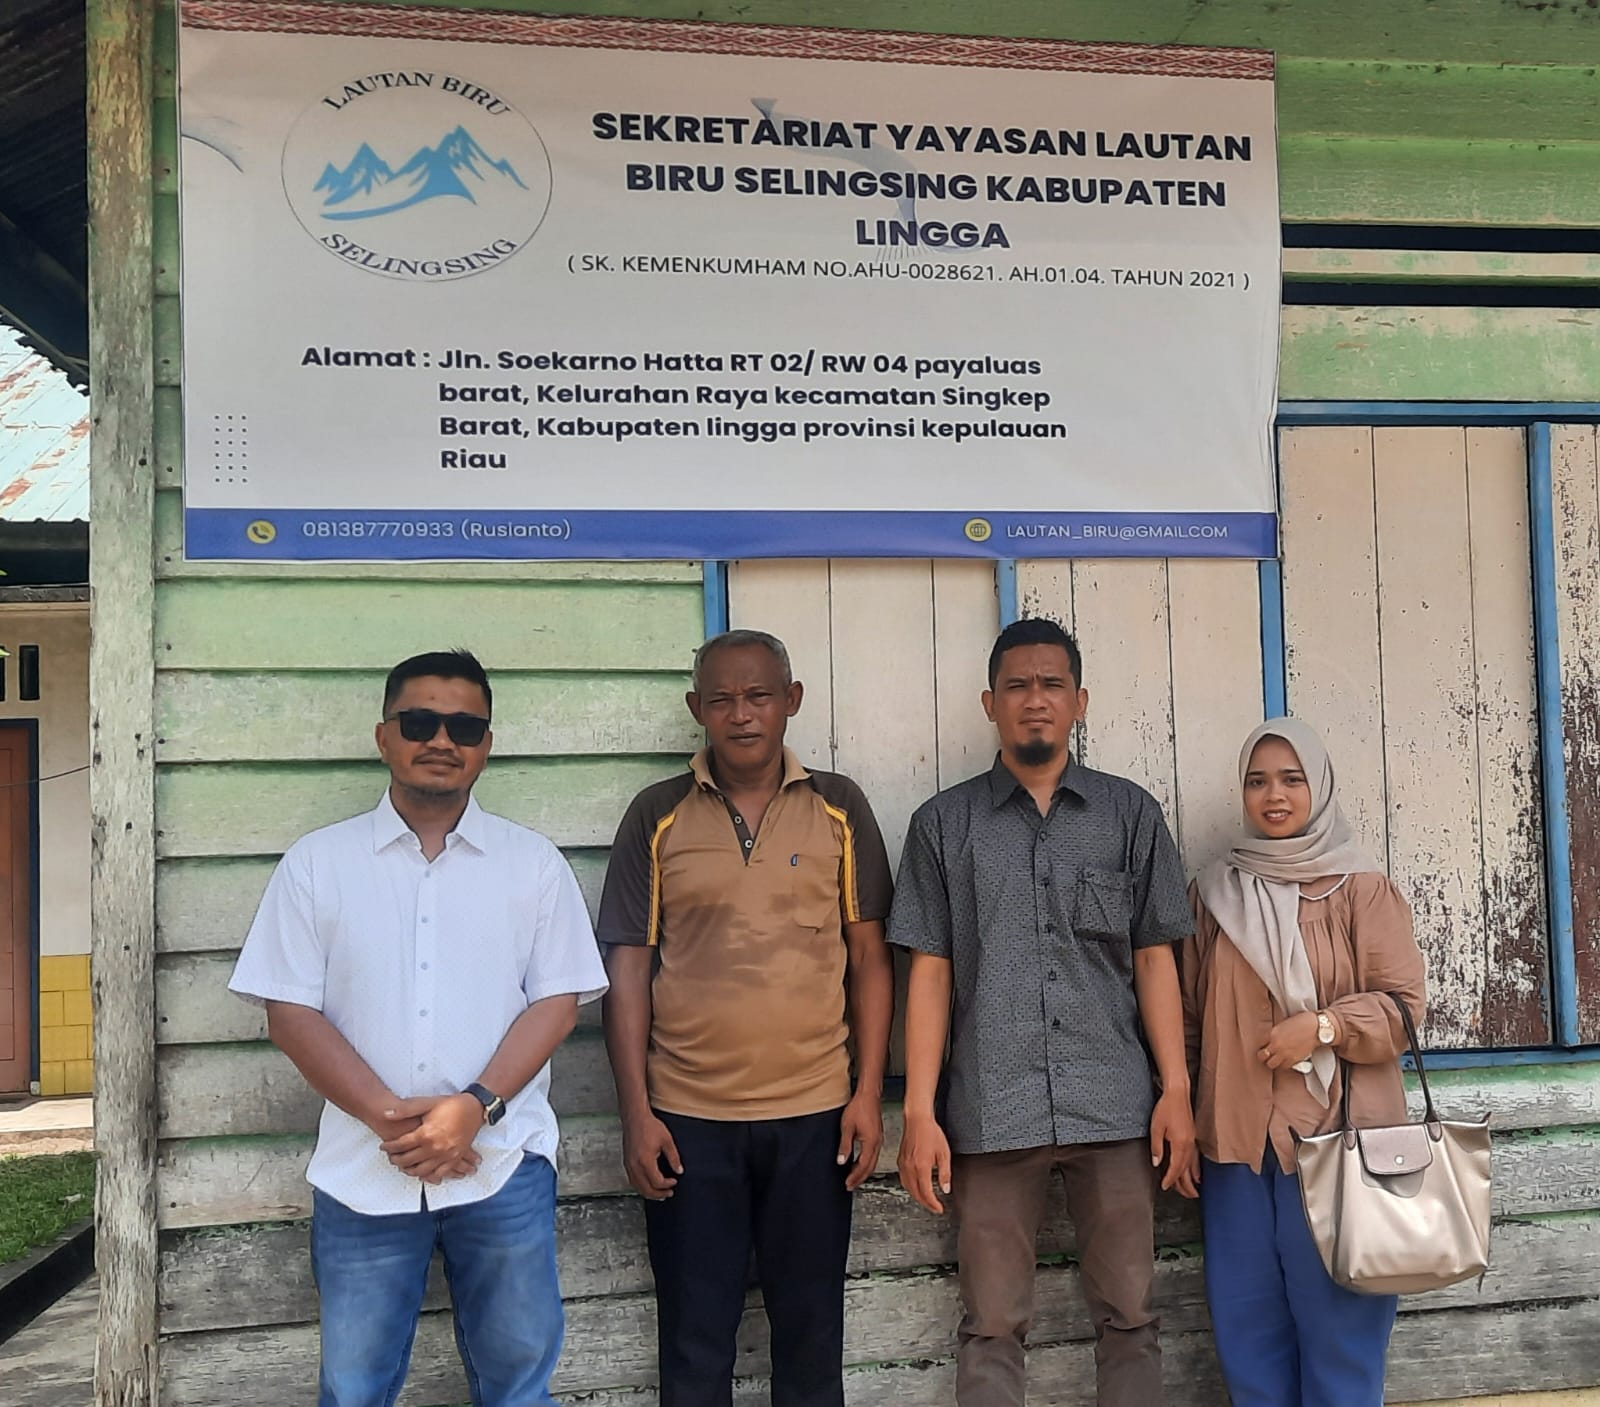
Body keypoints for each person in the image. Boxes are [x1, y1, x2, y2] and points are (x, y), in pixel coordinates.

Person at [228, 649, 608, 1407]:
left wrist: (474, 1108)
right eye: (420, 722)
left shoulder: (533, 864)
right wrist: (392, 1121)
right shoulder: (317, 864)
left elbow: (557, 1003)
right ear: (384, 736)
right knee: (354, 1388)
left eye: (464, 726)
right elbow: (289, 1010)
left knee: (520, 1384)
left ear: (486, 744)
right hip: (365, 1168)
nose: (441, 739)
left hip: (502, 1160)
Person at [890, 616, 1197, 1407]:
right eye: (1019, 685)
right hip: (993, 1108)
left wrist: (1176, 1088)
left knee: (1130, 1315)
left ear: (1079, 700)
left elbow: (1154, 957)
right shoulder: (943, 825)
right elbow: (930, 972)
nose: (1036, 699)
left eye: (1053, 684)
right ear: (990, 702)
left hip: (1113, 1104)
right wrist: (919, 1110)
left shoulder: (1129, 815)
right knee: (991, 1323)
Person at [597, 628, 895, 1407]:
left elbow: (870, 958)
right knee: (695, 1345)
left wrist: (868, 1094)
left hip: (816, 1115)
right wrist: (636, 1114)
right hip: (687, 1121)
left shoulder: (840, 807)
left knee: (811, 1339)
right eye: (722, 699)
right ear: (697, 707)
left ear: (791, 700)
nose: (741, 714)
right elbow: (627, 970)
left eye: (759, 695)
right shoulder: (656, 814)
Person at [1183, 716, 1426, 1407]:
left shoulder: (1360, 889)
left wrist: (1323, 1027)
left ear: (1318, 786)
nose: (1274, 795)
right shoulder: (1215, 895)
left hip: (1340, 1143)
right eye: (1258, 781)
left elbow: (1404, 1009)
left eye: (1292, 779)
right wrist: (1183, 1117)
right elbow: (1190, 1019)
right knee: (1248, 1338)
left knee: (1342, 1342)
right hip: (1236, 1149)